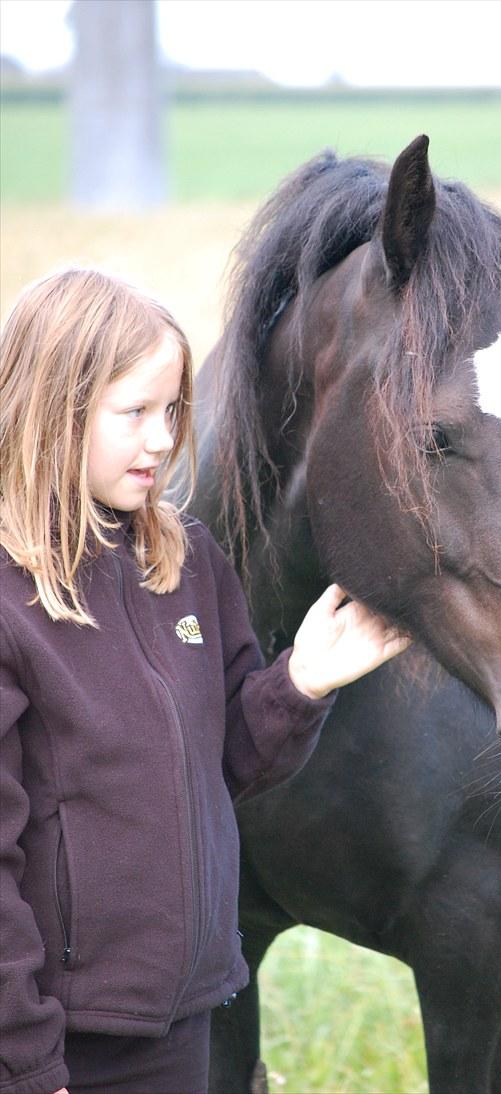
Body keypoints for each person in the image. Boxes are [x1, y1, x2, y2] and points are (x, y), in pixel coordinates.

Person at [0, 268, 411, 1094]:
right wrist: (26, 1058)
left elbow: (223, 763)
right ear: (53, 412)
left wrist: (302, 682)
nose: (163, 440)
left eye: (172, 411)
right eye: (135, 414)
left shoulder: (182, 562)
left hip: (184, 1019)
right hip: (61, 1046)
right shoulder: (10, 602)